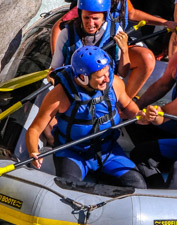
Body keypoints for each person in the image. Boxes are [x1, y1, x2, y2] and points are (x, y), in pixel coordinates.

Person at [26, 46, 148, 188]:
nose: (107, 78)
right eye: (101, 76)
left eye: (107, 72)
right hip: (72, 152)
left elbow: (128, 106)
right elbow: (34, 130)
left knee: (138, 184)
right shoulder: (59, 95)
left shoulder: (114, 83)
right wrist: (33, 150)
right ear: (83, 77)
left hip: (108, 150)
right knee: (68, 188)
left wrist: (140, 115)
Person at [51, 0, 131, 81]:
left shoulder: (116, 32)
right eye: (86, 18)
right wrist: (53, 79)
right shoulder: (67, 34)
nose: (90, 24)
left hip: (104, 84)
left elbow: (123, 73)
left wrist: (124, 51)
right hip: (76, 84)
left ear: (104, 17)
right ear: (80, 15)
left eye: (95, 18)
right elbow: (54, 69)